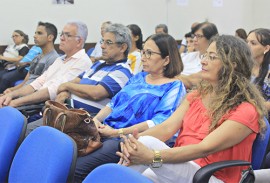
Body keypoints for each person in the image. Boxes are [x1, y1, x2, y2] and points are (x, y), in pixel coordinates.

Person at [117, 35, 267, 183]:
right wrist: (132, 142)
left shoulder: (246, 110)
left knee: (146, 144)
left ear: (232, 64)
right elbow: (167, 128)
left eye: (212, 57)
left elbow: (204, 148)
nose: (203, 61)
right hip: (181, 166)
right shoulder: (197, 95)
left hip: (212, 176)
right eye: (205, 55)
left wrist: (152, 156)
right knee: (138, 167)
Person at [74, 33, 186, 182]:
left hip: (128, 140)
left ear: (166, 59)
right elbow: (113, 104)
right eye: (143, 51)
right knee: (66, 156)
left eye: (149, 53)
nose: (144, 57)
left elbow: (158, 122)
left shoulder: (174, 86)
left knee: (77, 169)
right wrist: (96, 120)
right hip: (105, 130)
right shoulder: (138, 77)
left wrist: (116, 132)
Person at [26, 23, 133, 133]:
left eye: (108, 42)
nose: (102, 46)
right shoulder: (98, 64)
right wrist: (65, 92)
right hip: (65, 112)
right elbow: (72, 84)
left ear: (123, 47)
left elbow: (96, 93)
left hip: (82, 122)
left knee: (29, 131)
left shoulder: (122, 71)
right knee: (25, 127)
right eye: (102, 41)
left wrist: (67, 86)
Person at [0, 21, 92, 108]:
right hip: (35, 101)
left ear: (79, 41)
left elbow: (51, 92)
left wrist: (15, 102)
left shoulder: (82, 62)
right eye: (62, 34)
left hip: (45, 106)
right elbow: (35, 84)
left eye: (67, 35)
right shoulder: (60, 60)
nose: (62, 38)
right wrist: (11, 95)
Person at [1, 22, 58, 94]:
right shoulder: (37, 57)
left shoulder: (53, 59)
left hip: (31, 98)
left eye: (39, 33)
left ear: (50, 37)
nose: (34, 36)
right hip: (23, 93)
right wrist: (12, 90)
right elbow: (25, 82)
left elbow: (42, 89)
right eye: (35, 33)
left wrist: (14, 95)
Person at [178, 22, 218, 90]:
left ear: (211, 39)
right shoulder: (185, 56)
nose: (194, 40)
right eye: (194, 36)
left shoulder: (214, 61)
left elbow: (192, 81)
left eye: (199, 36)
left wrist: (174, 77)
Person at [247, 28, 270, 117]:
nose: (247, 46)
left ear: (266, 48)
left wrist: (249, 107)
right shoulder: (243, 67)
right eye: (247, 42)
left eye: (253, 43)